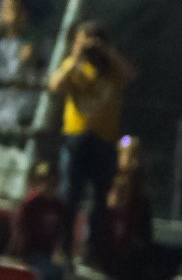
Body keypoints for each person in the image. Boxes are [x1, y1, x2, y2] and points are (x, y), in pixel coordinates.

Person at [48, 22, 134, 222]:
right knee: (70, 192)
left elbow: (130, 75)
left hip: (104, 138)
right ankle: (65, 238)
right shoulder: (73, 66)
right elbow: (54, 85)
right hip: (75, 136)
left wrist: (107, 52)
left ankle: (96, 238)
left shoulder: (112, 70)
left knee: (101, 195)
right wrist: (76, 57)